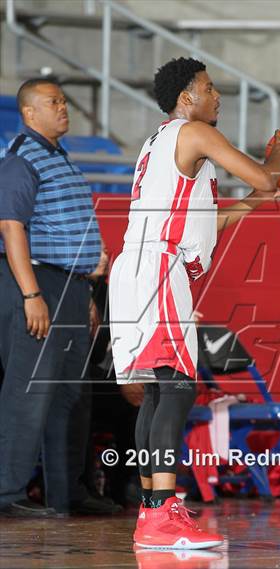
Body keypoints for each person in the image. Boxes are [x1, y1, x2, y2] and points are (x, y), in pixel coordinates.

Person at [109, 57, 280, 549]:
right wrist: (278, 158)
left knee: (160, 392)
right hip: (156, 267)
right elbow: (263, 177)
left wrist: (262, 196)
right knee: (176, 390)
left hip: (139, 267)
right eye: (209, 87)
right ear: (186, 97)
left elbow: (212, 223)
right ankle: (161, 515)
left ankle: (153, 512)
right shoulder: (194, 133)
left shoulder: (163, 143)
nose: (217, 96)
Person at [0, 78, 119, 516]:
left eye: (65, 101)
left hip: (70, 287)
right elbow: (10, 227)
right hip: (37, 284)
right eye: (54, 102)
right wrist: (31, 293)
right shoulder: (20, 160)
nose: (64, 108)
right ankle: (5, 495)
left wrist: (85, 294)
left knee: (71, 393)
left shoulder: (60, 159)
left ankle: (66, 493)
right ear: (30, 112)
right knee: (27, 393)